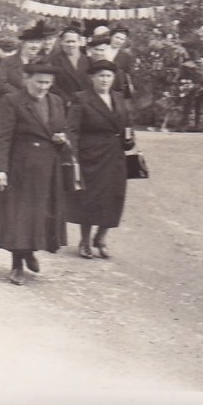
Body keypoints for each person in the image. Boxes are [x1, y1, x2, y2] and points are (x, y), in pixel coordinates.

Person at [0, 59, 69, 286]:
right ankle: (17, 264)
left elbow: (62, 129)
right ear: (27, 80)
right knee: (19, 216)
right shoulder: (12, 101)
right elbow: (2, 138)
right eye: (38, 82)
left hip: (48, 167)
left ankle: (29, 251)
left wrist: (61, 139)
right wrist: (1, 170)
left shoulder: (56, 101)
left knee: (41, 214)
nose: (43, 87)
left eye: (47, 83)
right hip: (21, 168)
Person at [65, 60, 134, 260]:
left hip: (115, 154)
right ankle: (85, 241)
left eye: (108, 76)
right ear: (92, 78)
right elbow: (72, 129)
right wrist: (74, 155)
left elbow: (126, 123)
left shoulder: (119, 98)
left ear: (114, 78)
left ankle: (101, 238)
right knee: (90, 197)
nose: (105, 80)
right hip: (91, 155)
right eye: (100, 76)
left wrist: (129, 139)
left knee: (114, 196)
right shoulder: (82, 99)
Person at [0, 24, 46, 94]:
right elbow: (1, 83)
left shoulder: (43, 63)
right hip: (11, 101)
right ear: (23, 43)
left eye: (38, 42)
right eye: (31, 42)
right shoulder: (8, 61)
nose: (35, 46)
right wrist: (19, 96)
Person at [49, 26, 91, 105]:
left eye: (73, 41)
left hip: (87, 103)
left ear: (79, 42)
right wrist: (67, 100)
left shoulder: (88, 60)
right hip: (65, 104)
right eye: (67, 41)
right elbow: (53, 85)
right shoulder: (54, 61)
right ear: (62, 42)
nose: (70, 44)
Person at [106, 26, 136, 97]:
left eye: (122, 39)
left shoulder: (126, 56)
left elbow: (127, 75)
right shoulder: (102, 50)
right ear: (111, 36)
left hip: (117, 91)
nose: (119, 41)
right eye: (117, 37)